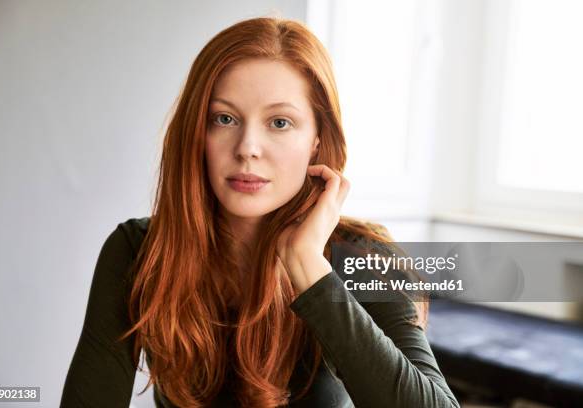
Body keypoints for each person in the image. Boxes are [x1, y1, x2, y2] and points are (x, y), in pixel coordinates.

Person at [60, 16, 460, 408]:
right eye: (224, 118)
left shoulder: (365, 259)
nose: (248, 147)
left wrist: (307, 267)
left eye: (280, 122)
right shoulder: (137, 250)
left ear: (318, 141)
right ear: (197, 133)